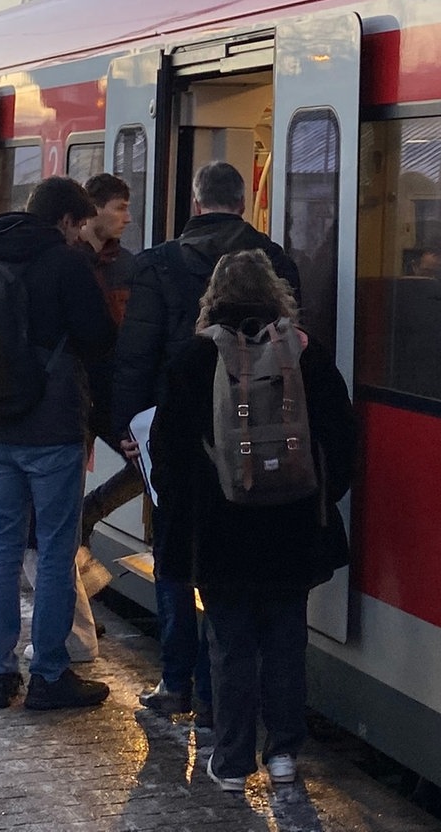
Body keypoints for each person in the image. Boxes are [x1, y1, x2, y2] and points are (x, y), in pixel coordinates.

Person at [149, 249, 353, 791]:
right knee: (287, 637)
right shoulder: (308, 357)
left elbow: (165, 454)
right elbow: (343, 441)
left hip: (220, 533)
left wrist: (184, 511)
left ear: (212, 297)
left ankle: (233, 761)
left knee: (230, 642)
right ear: (276, 293)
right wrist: (319, 497)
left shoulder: (192, 359)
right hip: (292, 529)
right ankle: (284, 754)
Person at [111, 160, 302, 723]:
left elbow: (135, 354)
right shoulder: (276, 260)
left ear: (196, 203)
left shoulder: (156, 265)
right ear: (243, 203)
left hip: (175, 433)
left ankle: (176, 682)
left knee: (172, 556)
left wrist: (126, 427)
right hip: (253, 438)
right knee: (230, 567)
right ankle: (226, 690)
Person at [0, 176, 117, 713]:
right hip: (51, 429)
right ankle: (49, 673)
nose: (81, 236)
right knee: (54, 552)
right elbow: (100, 339)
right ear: (66, 221)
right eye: (80, 226)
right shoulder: (67, 264)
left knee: (3, 551)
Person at [78, 173, 142, 543]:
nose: (127, 218)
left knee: (146, 464)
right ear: (95, 209)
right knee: (69, 482)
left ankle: (90, 511)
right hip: (76, 391)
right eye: (120, 208)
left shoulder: (129, 267)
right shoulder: (71, 261)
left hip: (111, 394)